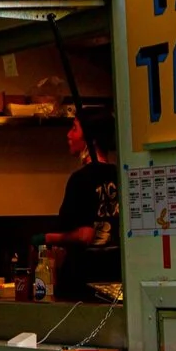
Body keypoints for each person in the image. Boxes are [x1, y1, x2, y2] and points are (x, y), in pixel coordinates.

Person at [42, 111, 120, 303]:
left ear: (90, 140)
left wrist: (43, 238)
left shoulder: (81, 179)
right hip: (115, 275)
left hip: (82, 279)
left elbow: (85, 235)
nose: (69, 135)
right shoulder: (120, 175)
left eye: (74, 129)